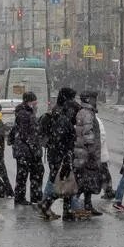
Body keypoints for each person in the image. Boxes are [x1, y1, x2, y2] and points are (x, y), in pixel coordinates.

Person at [38, 87, 79, 221]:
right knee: (61, 182)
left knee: (63, 181)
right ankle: (47, 203)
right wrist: (66, 157)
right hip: (60, 155)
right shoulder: (64, 118)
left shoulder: (59, 114)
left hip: (56, 154)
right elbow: (62, 139)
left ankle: (66, 210)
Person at [70, 90, 104, 218]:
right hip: (87, 153)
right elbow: (88, 133)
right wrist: (91, 151)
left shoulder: (83, 112)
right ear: (89, 100)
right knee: (83, 181)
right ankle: (76, 206)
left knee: (87, 181)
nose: (96, 101)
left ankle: (87, 205)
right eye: (95, 99)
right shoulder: (88, 114)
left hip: (83, 152)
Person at [10, 92, 44, 206]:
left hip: (26, 150)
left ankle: (33, 197)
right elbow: (26, 134)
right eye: (35, 102)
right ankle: (23, 198)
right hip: (25, 150)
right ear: (29, 102)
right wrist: (34, 149)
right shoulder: (24, 114)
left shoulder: (26, 112)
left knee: (31, 173)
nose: (36, 104)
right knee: (25, 174)